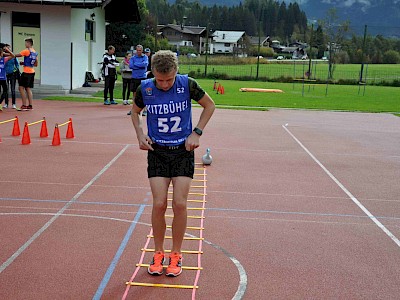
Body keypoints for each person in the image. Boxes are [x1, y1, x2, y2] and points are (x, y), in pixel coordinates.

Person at [130, 50, 215, 277]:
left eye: (169, 79)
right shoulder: (145, 88)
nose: (164, 84)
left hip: (183, 151)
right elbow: (135, 112)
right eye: (160, 79)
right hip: (157, 151)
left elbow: (210, 105)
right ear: (153, 74)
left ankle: (176, 254)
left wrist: (196, 132)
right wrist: (139, 133)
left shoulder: (187, 85)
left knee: (180, 203)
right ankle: (158, 253)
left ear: (176, 72)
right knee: (159, 204)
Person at [15, 37, 38, 111]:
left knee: (21, 87)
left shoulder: (26, 51)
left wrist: (7, 52)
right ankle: (30, 105)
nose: (25, 44)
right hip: (32, 71)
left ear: (28, 43)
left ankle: (24, 105)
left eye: (26, 43)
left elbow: (15, 55)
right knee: (28, 88)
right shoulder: (34, 52)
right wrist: (25, 63)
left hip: (26, 72)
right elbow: (36, 64)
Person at [127, 45, 148, 115]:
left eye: (140, 50)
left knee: (143, 93)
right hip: (135, 77)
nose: (139, 52)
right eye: (137, 50)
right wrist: (140, 65)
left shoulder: (145, 57)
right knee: (135, 94)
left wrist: (136, 65)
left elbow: (145, 65)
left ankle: (145, 110)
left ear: (142, 50)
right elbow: (131, 66)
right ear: (136, 50)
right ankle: (133, 109)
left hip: (142, 77)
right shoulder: (133, 58)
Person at [0, 45, 15, 112]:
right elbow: (13, 55)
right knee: (5, 91)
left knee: (4, 91)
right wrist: (8, 50)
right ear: (2, 53)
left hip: (2, 78)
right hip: (2, 78)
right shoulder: (3, 59)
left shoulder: (4, 59)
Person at [5, 44, 19, 109]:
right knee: (6, 89)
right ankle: (6, 103)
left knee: (13, 89)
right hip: (5, 74)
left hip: (12, 74)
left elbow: (17, 64)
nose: (8, 50)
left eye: (9, 48)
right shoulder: (4, 56)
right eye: (6, 48)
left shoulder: (13, 56)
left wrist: (16, 70)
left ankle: (13, 103)